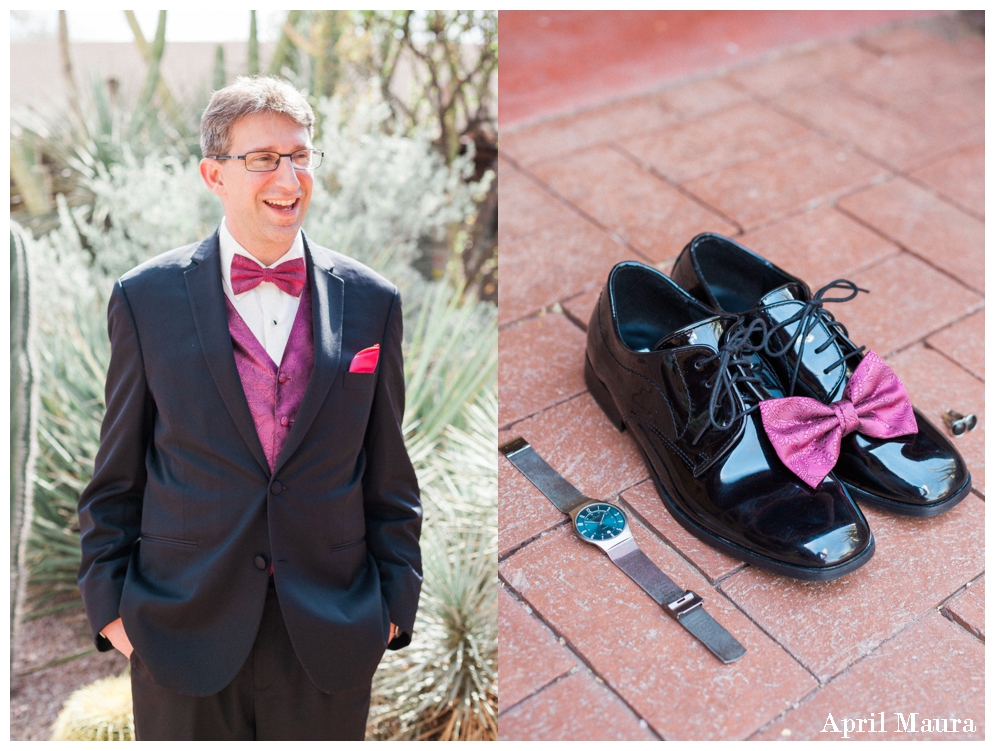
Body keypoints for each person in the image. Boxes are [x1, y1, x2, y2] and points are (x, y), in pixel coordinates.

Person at [77, 76, 422, 741]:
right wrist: (116, 621)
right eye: (263, 158)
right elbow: (115, 478)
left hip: (328, 637)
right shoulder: (145, 300)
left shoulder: (371, 300)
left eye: (299, 155)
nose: (287, 176)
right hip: (181, 636)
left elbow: (390, 477)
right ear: (214, 174)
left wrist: (390, 612)